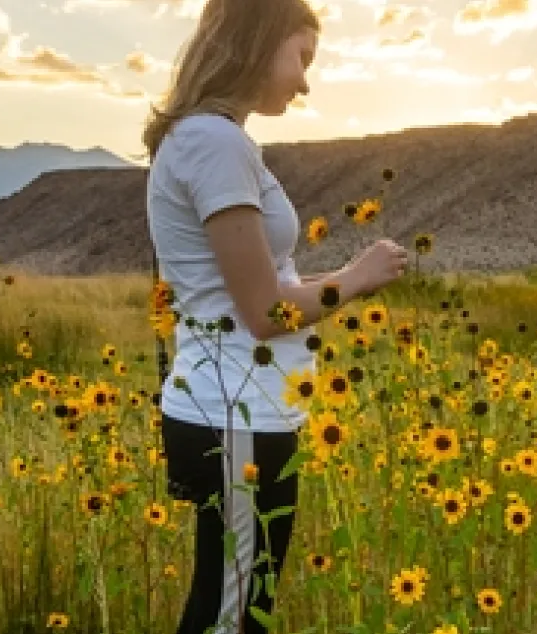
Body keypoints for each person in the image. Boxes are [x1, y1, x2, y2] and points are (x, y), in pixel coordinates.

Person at [140, 0, 408, 632]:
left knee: (231, 604)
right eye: (302, 58)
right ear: (256, 45)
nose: (306, 81)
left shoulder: (209, 138)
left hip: (239, 408)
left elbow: (254, 287)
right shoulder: (214, 141)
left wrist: (336, 280)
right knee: (233, 617)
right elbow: (265, 314)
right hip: (235, 410)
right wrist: (356, 279)